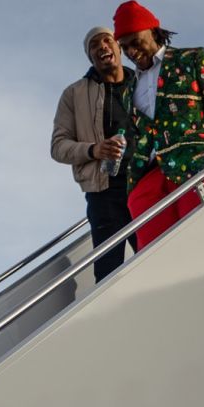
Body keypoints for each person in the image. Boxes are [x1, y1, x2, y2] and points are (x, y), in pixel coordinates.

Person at [113, 0, 204, 248]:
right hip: (149, 180)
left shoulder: (192, 59)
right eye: (125, 48)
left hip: (197, 165)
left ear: (153, 31)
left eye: (136, 42)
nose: (132, 52)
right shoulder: (128, 90)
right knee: (157, 255)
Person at [51, 25, 139, 281]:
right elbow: (58, 146)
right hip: (104, 193)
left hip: (145, 186)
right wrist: (94, 149)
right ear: (90, 57)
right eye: (94, 45)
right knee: (108, 270)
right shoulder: (74, 94)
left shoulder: (144, 83)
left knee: (155, 255)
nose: (101, 46)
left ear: (118, 47)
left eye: (106, 40)